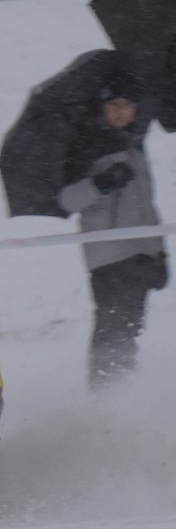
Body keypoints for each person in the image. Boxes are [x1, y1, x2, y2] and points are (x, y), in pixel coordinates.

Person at [56, 68, 166, 386]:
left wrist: (159, 252)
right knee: (111, 329)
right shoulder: (87, 145)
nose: (120, 111)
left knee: (131, 329)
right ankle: (104, 392)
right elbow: (67, 200)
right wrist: (100, 183)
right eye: (114, 104)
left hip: (141, 253)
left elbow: (146, 206)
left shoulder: (135, 147)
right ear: (103, 106)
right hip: (108, 257)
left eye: (127, 105)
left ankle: (123, 391)